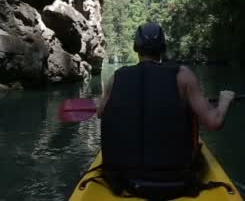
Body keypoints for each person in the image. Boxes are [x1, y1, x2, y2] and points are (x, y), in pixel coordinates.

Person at [95, 22, 235, 199]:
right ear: (163, 48)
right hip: (177, 182)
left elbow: (100, 113)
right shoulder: (183, 75)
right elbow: (214, 121)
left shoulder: (116, 78)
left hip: (127, 182)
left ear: (136, 48)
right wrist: (225, 100)